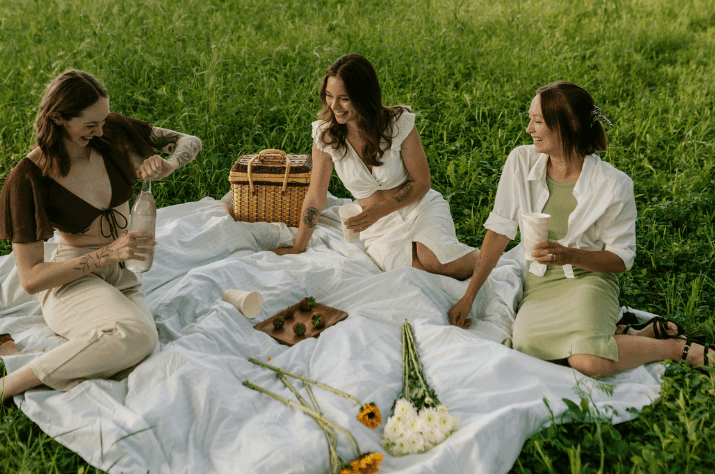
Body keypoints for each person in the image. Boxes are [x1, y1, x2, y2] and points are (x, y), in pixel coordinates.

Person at [0, 69, 203, 426]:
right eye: (90, 124)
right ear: (59, 117)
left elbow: (190, 140)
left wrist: (168, 164)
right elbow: (31, 278)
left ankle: (48, 355)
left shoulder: (111, 131)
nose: (101, 130)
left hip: (124, 274)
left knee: (136, 345)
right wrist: (108, 254)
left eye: (104, 120)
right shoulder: (28, 178)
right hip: (71, 280)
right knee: (136, 336)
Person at [448, 81, 712, 372]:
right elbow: (499, 232)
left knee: (587, 361)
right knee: (529, 351)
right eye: (530, 119)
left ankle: (676, 348)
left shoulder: (613, 184)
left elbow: (621, 258)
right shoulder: (520, 162)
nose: (528, 129)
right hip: (540, 284)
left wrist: (570, 255)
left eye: (537, 121)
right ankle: (628, 335)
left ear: (569, 126)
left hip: (588, 280)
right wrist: (469, 297)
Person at [274, 53, 478, 280]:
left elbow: (422, 182)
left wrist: (378, 211)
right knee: (419, 275)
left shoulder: (398, 123)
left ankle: (489, 260)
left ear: (363, 96)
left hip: (419, 209)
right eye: (329, 96)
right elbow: (315, 197)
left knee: (434, 260)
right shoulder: (326, 138)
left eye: (344, 98)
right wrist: (298, 247)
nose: (334, 105)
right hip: (377, 229)